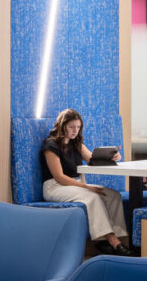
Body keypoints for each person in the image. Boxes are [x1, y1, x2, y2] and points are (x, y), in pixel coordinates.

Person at [41, 108, 131, 255]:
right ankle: (113, 241)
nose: (75, 131)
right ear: (62, 126)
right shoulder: (50, 146)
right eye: (71, 127)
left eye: (78, 127)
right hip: (55, 187)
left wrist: (112, 156)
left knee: (113, 195)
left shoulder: (76, 143)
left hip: (74, 185)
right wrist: (86, 186)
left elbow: (92, 159)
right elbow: (59, 176)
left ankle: (117, 241)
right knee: (93, 197)